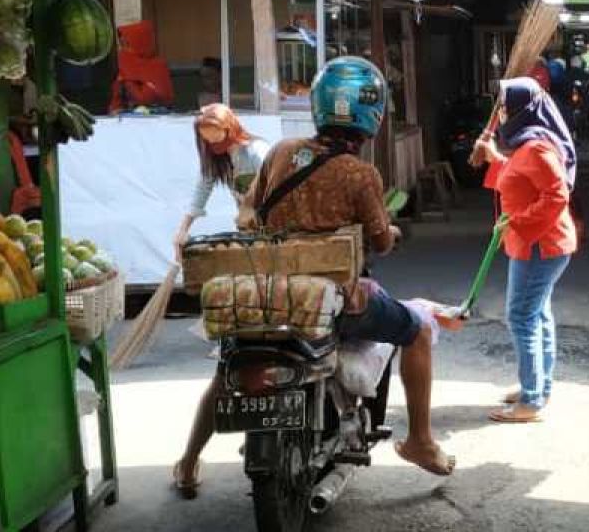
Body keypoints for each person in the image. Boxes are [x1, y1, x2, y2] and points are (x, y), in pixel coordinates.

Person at [172, 58, 454, 498]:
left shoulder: (281, 152)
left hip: (266, 294)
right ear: (373, 115)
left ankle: (188, 463)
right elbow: (381, 243)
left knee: (230, 364)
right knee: (416, 330)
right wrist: (386, 231)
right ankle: (420, 440)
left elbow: (247, 212)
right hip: (335, 301)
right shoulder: (361, 174)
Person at [473, 78, 578, 423]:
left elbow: (556, 195)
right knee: (537, 315)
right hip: (536, 243)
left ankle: (531, 400)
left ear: (521, 110)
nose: (500, 113)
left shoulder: (536, 147)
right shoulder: (525, 145)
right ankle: (537, 387)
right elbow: (521, 178)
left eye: (503, 106)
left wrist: (517, 220)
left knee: (521, 316)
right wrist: (496, 159)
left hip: (540, 245)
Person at [171, 104, 270, 259]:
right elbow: (202, 190)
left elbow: (275, 186)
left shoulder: (256, 152)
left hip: (271, 226)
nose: (214, 145)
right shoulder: (217, 158)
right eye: (208, 141)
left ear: (229, 129)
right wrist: (182, 230)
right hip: (248, 229)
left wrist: (253, 209)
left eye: (217, 138)